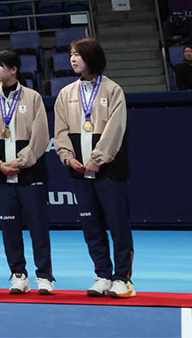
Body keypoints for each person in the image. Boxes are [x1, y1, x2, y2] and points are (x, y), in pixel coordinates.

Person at [55, 38, 134, 299]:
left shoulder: (113, 90)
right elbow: (61, 131)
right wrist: (68, 158)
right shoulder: (66, 93)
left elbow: (115, 129)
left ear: (92, 57)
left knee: (117, 224)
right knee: (91, 225)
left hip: (109, 170)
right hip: (79, 170)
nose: (73, 59)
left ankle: (122, 278)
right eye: (71, 54)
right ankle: (103, 275)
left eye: (78, 54)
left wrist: (98, 159)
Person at [0, 50, 53, 295]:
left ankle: (44, 275)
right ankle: (18, 274)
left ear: (14, 69)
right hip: (1, 174)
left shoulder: (33, 97)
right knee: (9, 227)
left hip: (31, 172)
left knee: (38, 226)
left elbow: (41, 135)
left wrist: (22, 162)